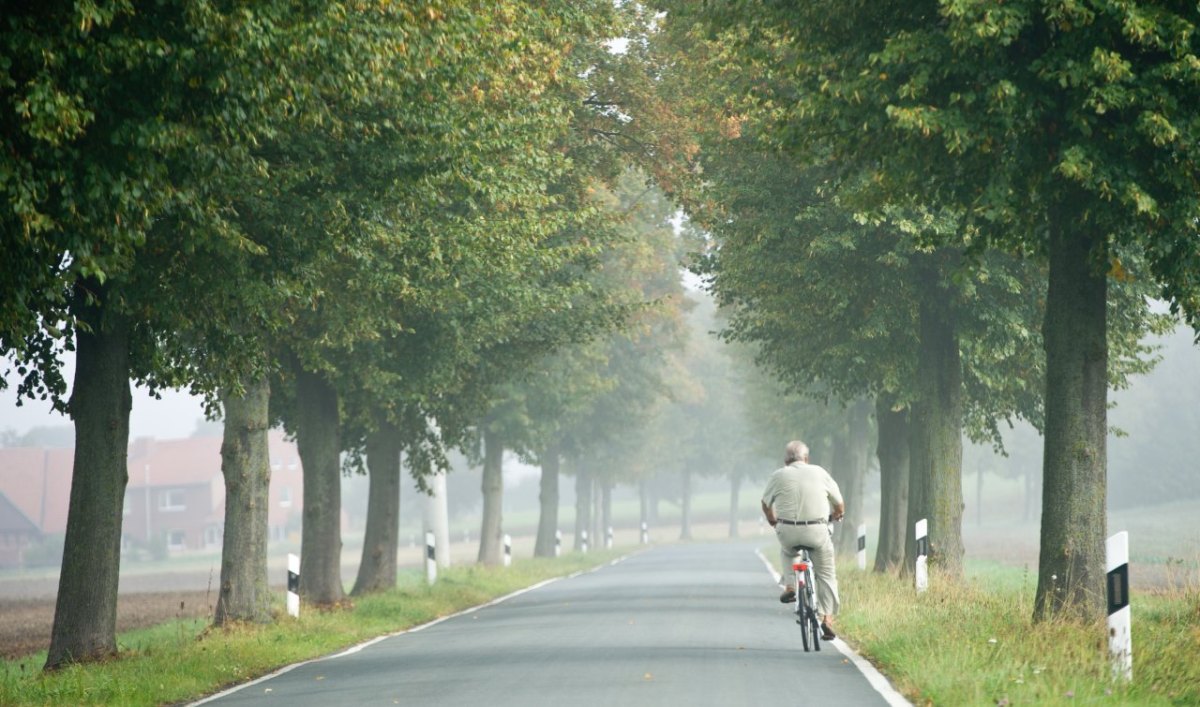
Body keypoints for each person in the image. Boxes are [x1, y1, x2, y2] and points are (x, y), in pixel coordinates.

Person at [761, 440, 844, 640]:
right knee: (826, 574)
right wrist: (837, 515)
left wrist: (773, 520)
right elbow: (839, 502)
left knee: (788, 550)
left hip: (788, 530)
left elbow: (765, 503)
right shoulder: (820, 472)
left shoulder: (778, 475)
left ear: (786, 460)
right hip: (817, 530)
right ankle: (827, 619)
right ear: (806, 459)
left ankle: (790, 586)